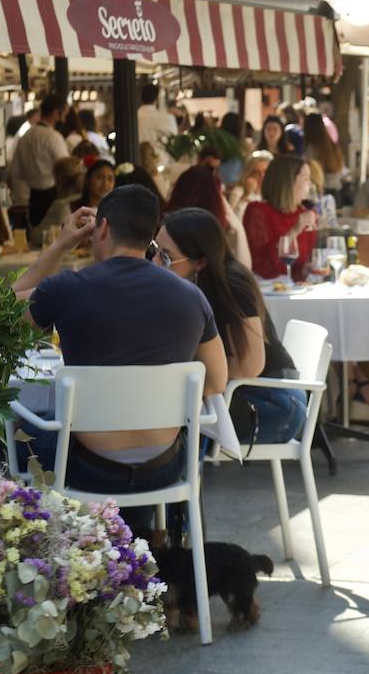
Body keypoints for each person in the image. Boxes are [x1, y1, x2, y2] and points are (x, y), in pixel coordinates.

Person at [12, 186, 228, 536]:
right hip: (166, 466)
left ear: (102, 228)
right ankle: (129, 549)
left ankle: (57, 554)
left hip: (86, 468)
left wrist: (61, 244)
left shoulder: (67, 289)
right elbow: (217, 381)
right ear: (150, 237)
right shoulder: (192, 297)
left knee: (11, 430)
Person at [159, 208, 306, 443]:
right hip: (240, 393)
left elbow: (249, 365)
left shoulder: (233, 284)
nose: (155, 263)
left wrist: (188, 385)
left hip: (273, 402)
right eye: (154, 251)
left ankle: (176, 478)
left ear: (200, 262)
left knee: (176, 425)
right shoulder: (187, 288)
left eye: (166, 256)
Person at [243, 155, 319, 281]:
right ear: (289, 182)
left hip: (296, 291)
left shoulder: (305, 213)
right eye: (306, 179)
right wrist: (294, 230)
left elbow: (301, 269)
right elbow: (263, 267)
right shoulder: (257, 211)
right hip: (268, 292)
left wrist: (311, 268)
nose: (311, 185)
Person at [166, 164, 252, 268]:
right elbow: (244, 271)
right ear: (216, 199)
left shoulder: (166, 224)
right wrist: (239, 229)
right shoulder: (212, 235)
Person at [9, 96, 70, 227]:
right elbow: (66, 168)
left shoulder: (26, 136)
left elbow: (15, 171)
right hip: (51, 196)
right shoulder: (53, 137)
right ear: (55, 114)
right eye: (63, 115)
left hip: (32, 197)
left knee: (37, 236)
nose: (64, 120)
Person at [29, 157, 86, 247]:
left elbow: (38, 237)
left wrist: (33, 232)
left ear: (59, 178)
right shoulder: (85, 200)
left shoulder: (61, 205)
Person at [304, 112, 346, 200]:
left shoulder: (311, 148)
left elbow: (312, 171)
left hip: (321, 191)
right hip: (336, 190)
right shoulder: (331, 145)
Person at [137, 82, 177, 166]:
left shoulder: (133, 118)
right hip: (162, 163)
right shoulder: (168, 118)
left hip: (139, 163)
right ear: (157, 99)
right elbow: (174, 142)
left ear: (141, 98)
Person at [228, 150, 273, 222]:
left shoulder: (271, 195)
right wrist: (247, 194)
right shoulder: (239, 192)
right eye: (256, 173)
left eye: (265, 172)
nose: (262, 177)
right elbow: (230, 219)